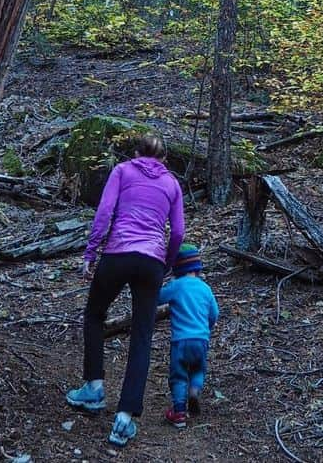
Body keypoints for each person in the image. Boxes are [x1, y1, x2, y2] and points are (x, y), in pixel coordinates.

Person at [66, 132, 184, 447]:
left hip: (117, 254)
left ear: (136, 153)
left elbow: (104, 214)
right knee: (143, 335)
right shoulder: (172, 183)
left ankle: (93, 388)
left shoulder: (122, 170)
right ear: (164, 159)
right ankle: (124, 419)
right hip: (151, 262)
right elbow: (179, 232)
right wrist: (167, 262)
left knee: (94, 314)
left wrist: (91, 252)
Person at [157, 242, 220, 429]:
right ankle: (194, 392)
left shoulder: (176, 286)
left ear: (177, 268)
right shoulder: (205, 288)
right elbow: (214, 314)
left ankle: (178, 413)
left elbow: (158, 297)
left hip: (180, 341)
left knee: (178, 375)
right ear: (197, 268)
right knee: (198, 370)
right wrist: (205, 329)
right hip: (201, 340)